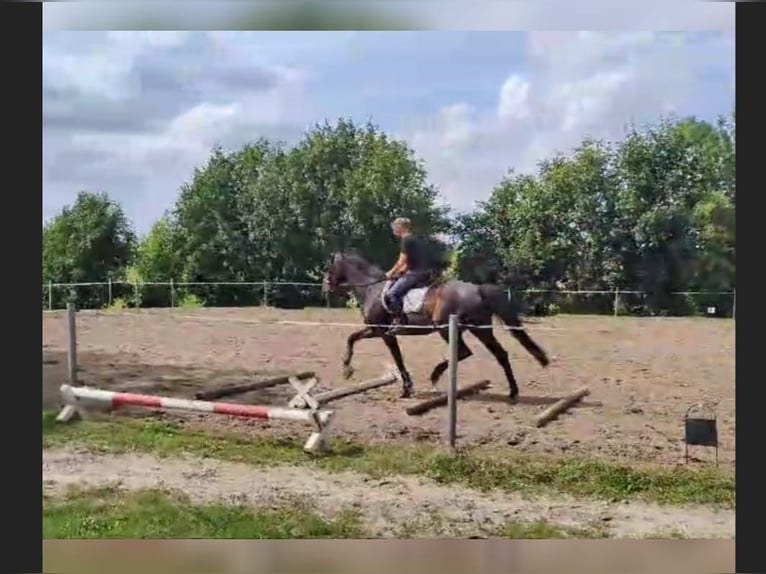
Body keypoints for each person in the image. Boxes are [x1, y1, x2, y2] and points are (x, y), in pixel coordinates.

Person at [384, 217, 431, 334]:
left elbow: (401, 261)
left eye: (395, 228)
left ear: (401, 227)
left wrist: (391, 272)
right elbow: (410, 262)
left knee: (392, 293)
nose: (394, 230)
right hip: (423, 272)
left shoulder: (406, 240)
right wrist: (399, 273)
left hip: (416, 273)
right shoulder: (415, 239)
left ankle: (400, 322)